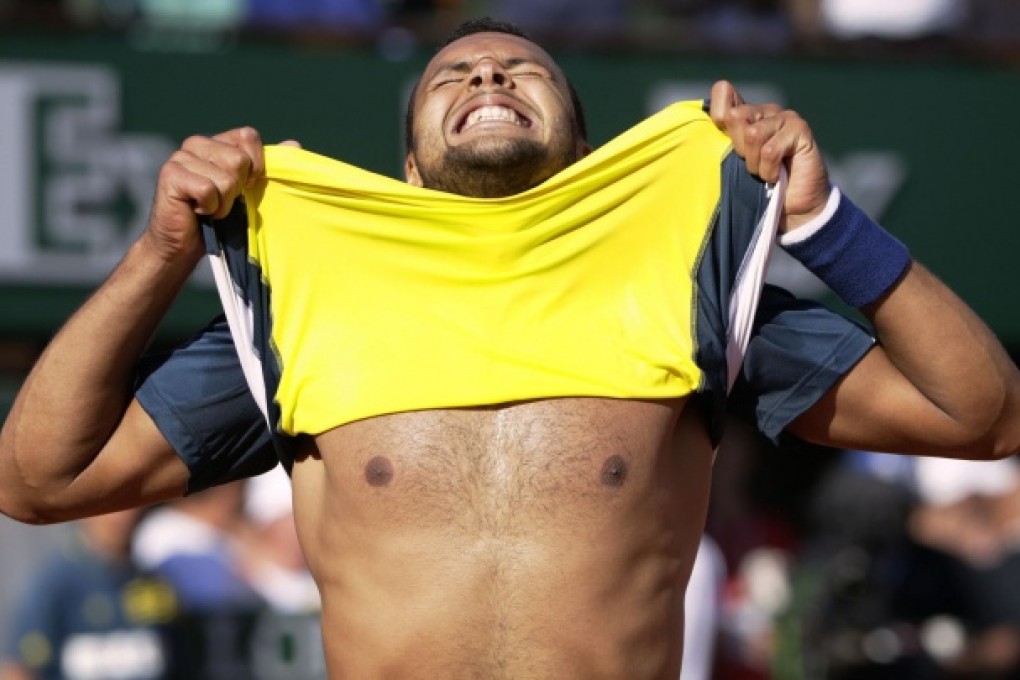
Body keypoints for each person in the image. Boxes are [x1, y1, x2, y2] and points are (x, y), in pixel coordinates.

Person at [0, 15, 1018, 680]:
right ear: (405, 169)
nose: (488, 69)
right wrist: (158, 255)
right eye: (454, 73)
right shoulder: (312, 296)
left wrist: (826, 222)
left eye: (523, 68)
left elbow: (986, 413)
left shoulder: (685, 276)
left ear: (585, 152)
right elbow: (37, 478)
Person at [0, 509, 178, 680]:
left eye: (129, 506)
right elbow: (19, 668)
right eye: (110, 507)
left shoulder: (154, 583)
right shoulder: (55, 584)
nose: (121, 517)